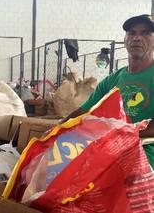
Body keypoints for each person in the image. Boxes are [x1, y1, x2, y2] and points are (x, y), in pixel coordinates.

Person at [59, 14, 154, 169]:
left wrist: (120, 133)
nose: (137, 38)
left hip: (146, 153)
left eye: (146, 33)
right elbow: (83, 112)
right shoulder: (111, 81)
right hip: (110, 147)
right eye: (132, 33)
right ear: (125, 41)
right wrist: (56, 130)